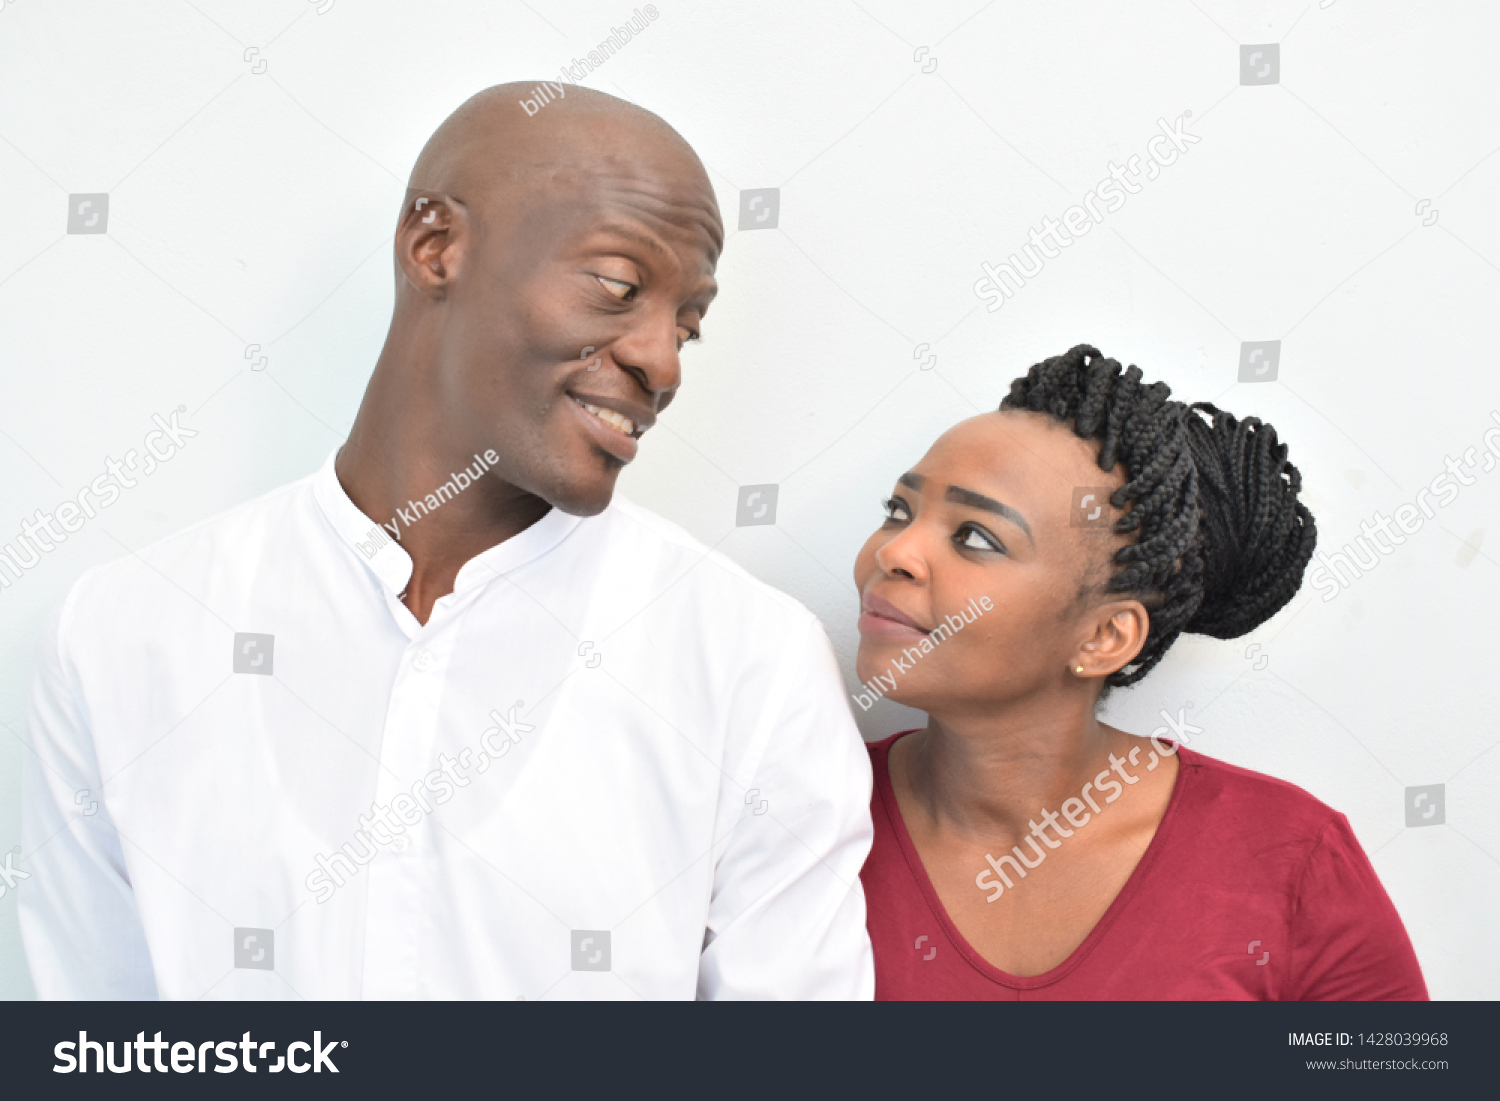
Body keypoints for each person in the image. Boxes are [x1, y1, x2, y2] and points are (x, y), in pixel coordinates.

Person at [21, 84, 874, 1000]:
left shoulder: (752, 662)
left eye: (687, 326)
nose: (662, 362)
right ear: (435, 247)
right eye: (620, 287)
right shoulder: (126, 630)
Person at [855, 344, 1426, 1000]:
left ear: (1104, 636)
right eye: (899, 510)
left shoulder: (1290, 859)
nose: (893, 550)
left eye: (977, 537)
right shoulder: (803, 815)